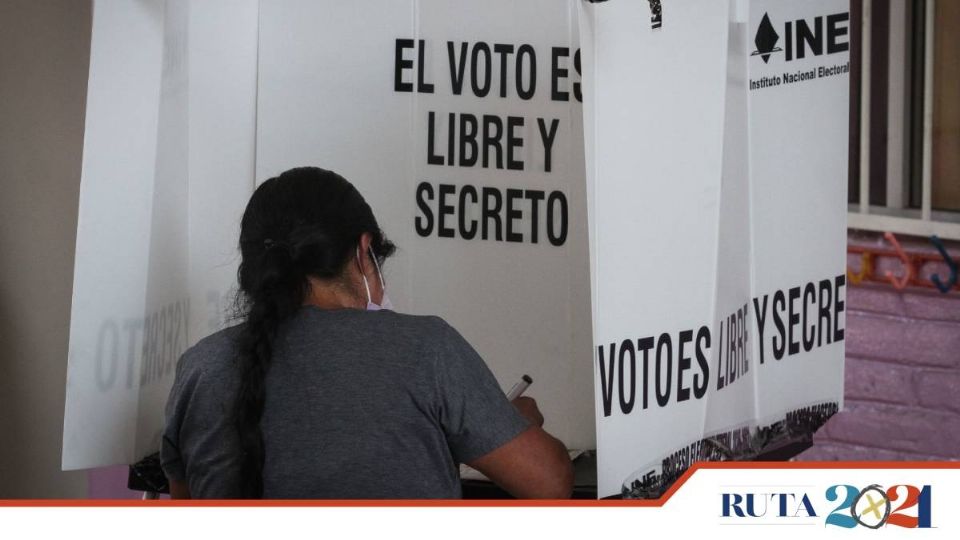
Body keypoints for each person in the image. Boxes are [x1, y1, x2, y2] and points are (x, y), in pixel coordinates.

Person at [160, 167, 573, 499]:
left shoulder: (201, 368)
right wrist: (512, 424)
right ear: (364, 250)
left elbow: (186, 501)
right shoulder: (426, 349)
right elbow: (549, 484)